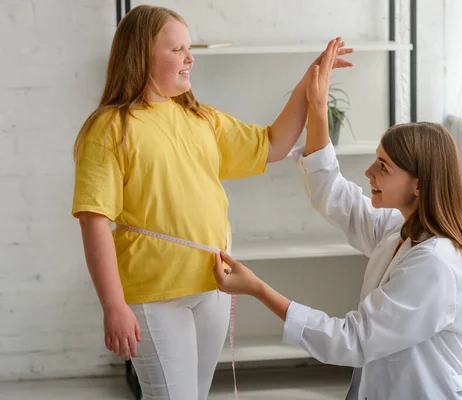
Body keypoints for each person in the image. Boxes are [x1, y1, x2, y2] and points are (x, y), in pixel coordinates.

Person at [71, 4, 353, 399]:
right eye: (176, 50)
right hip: (153, 295)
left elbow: (273, 144)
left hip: (213, 287)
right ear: (140, 56)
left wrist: (311, 82)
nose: (190, 58)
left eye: (189, 48)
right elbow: (93, 220)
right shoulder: (110, 128)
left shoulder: (201, 118)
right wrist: (114, 306)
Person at [213, 39, 462, 399]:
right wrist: (315, 106)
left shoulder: (434, 265)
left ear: (419, 186)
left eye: (383, 167)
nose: (368, 171)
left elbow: (352, 340)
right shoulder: (400, 230)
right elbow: (331, 192)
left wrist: (258, 289)